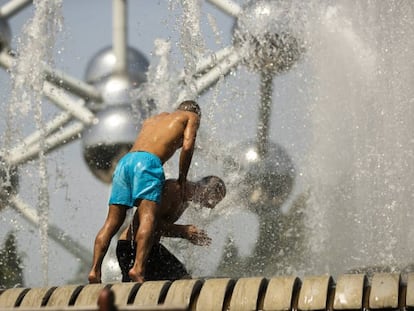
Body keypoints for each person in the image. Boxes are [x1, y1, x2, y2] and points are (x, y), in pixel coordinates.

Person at [88, 100, 201, 284]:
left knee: (111, 222)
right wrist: (182, 177)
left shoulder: (156, 119)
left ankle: (94, 271)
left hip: (126, 161)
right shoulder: (191, 116)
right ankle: (138, 268)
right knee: (148, 216)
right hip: (147, 163)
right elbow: (188, 146)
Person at [116, 175, 226, 282]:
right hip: (131, 247)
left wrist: (186, 234)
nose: (211, 206)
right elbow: (148, 224)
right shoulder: (174, 189)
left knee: (184, 280)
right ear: (206, 190)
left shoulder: (185, 201)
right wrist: (183, 230)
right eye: (214, 201)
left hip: (151, 248)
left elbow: (159, 230)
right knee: (136, 293)